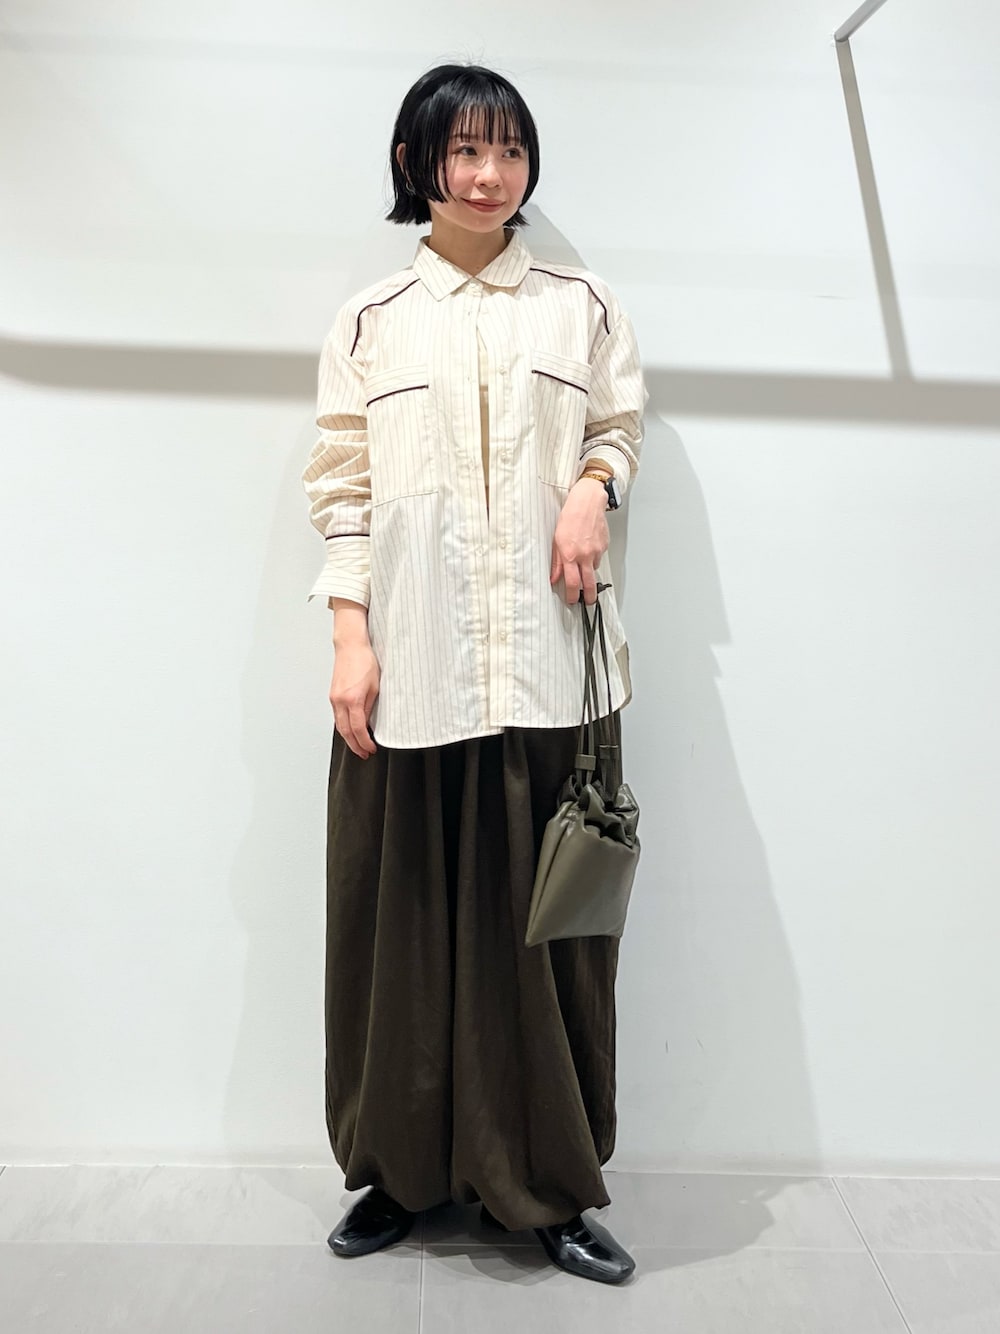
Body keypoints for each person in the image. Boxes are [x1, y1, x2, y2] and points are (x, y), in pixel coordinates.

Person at [301, 62, 647, 1285]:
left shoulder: (579, 304)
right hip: (413, 676)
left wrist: (593, 490)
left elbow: (616, 426)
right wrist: (350, 642)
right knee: (400, 941)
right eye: (464, 151)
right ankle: (399, 1173)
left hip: (550, 674)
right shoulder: (369, 322)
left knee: (551, 949)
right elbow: (341, 490)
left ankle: (549, 1187)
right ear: (419, 164)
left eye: (508, 150)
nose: (490, 174)